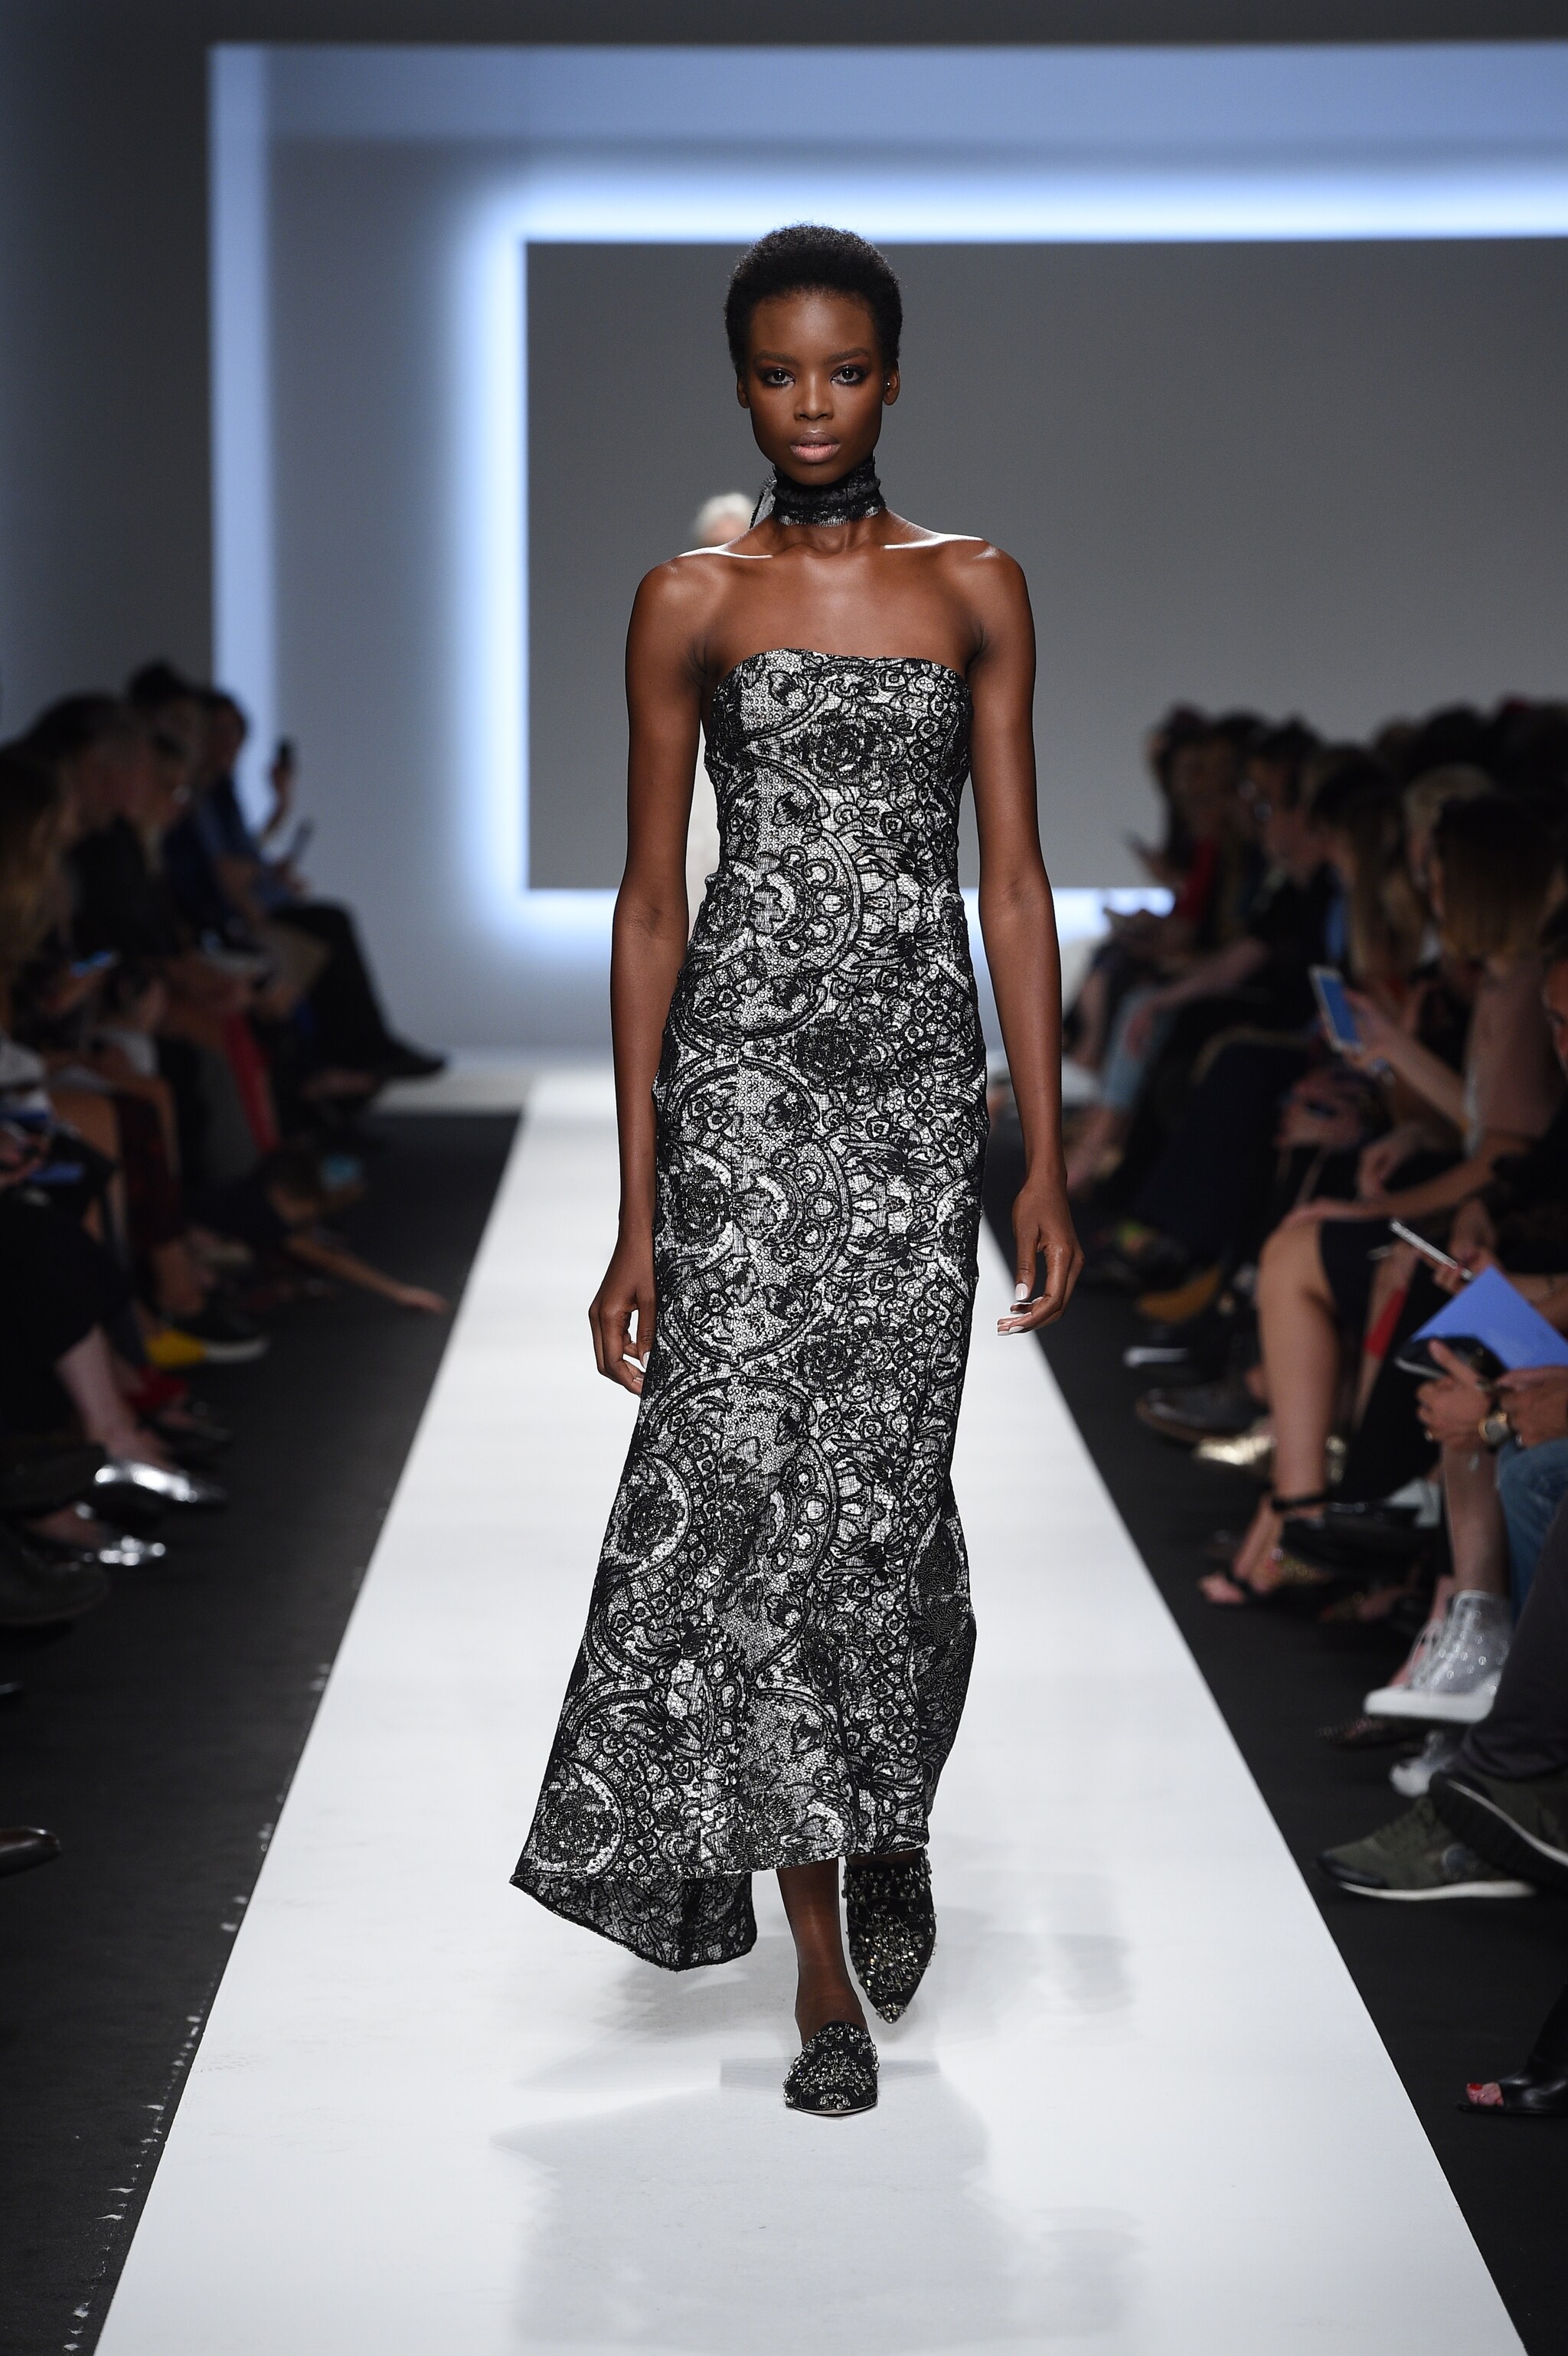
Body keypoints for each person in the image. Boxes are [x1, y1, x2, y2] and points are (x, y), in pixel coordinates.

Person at [512, 224, 1081, 2117]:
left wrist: (1040, 1157)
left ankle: (878, 1798)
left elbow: (1014, 882)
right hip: (745, 1094)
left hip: (914, 1100)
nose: (812, 405)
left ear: (893, 378)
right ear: (742, 384)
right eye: (778, 373)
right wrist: (635, 1210)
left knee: (881, 1501)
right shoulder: (688, 599)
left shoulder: (976, 583)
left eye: (843, 370)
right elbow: (648, 905)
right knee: (748, 1496)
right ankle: (821, 1961)